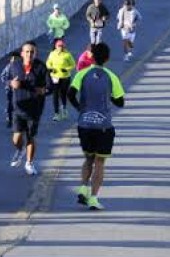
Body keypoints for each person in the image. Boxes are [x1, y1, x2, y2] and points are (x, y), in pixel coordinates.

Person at [67, 42, 125, 211]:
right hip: (103, 125)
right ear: (107, 58)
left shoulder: (82, 74)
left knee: (88, 158)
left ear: (91, 56)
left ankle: (83, 187)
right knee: (100, 162)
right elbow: (120, 101)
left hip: (84, 123)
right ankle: (93, 198)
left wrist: (80, 108)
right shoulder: (111, 76)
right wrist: (109, 97)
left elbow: (70, 94)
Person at [6, 41, 48, 176]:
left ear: (35, 53)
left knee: (31, 136)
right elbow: (5, 78)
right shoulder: (14, 65)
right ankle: (20, 150)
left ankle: (29, 163)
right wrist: (11, 83)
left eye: (32, 52)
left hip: (34, 109)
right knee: (16, 138)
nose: (29, 54)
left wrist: (44, 91)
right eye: (27, 51)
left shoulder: (41, 67)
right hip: (18, 106)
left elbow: (50, 87)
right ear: (22, 53)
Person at [46, 39, 76, 121]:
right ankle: (56, 114)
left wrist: (66, 69)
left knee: (62, 94)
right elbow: (48, 63)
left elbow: (73, 64)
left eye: (62, 46)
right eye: (59, 46)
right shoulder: (52, 54)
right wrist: (51, 68)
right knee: (55, 95)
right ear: (56, 46)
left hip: (65, 78)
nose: (61, 47)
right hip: (55, 77)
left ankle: (64, 109)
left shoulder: (67, 54)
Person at [0, 50, 21, 128]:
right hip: (9, 90)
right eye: (12, 58)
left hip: (19, 90)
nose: (14, 60)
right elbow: (3, 77)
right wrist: (10, 82)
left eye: (16, 58)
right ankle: (9, 118)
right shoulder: (8, 67)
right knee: (10, 104)